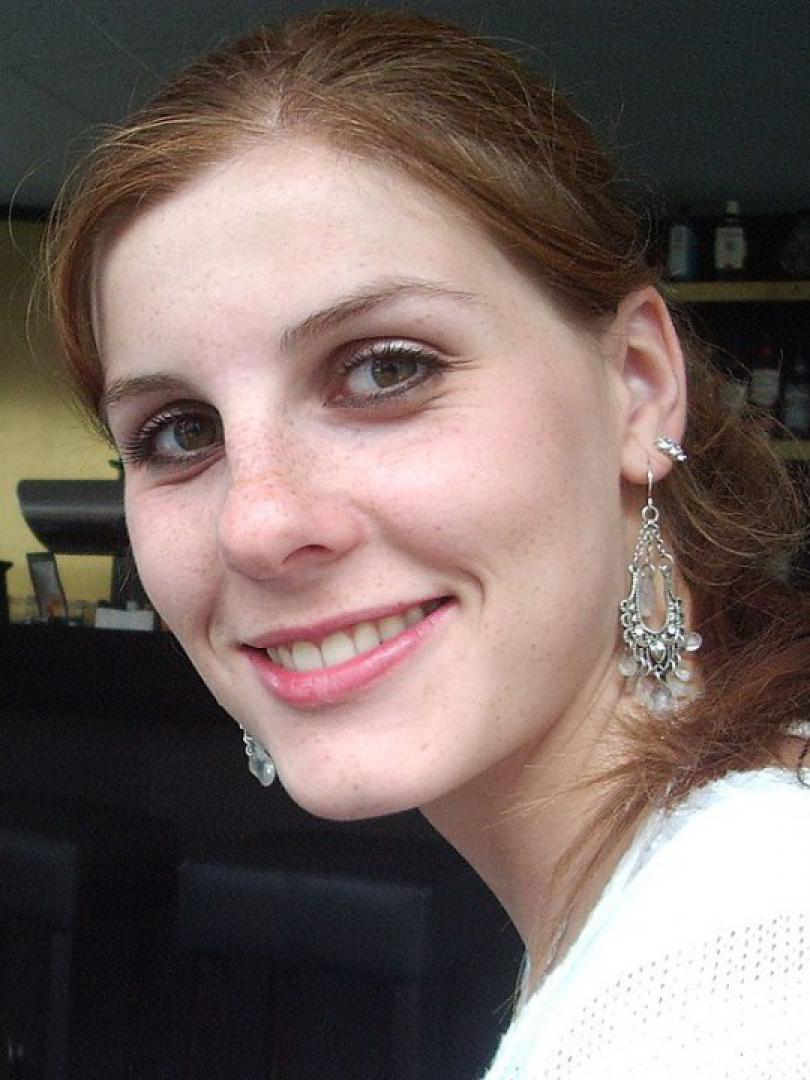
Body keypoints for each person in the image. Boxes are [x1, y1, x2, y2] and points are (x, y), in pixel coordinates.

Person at [44, 9, 810, 1076]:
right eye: (180, 433)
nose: (256, 525)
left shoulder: (736, 997)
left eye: (385, 369)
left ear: (638, 388)